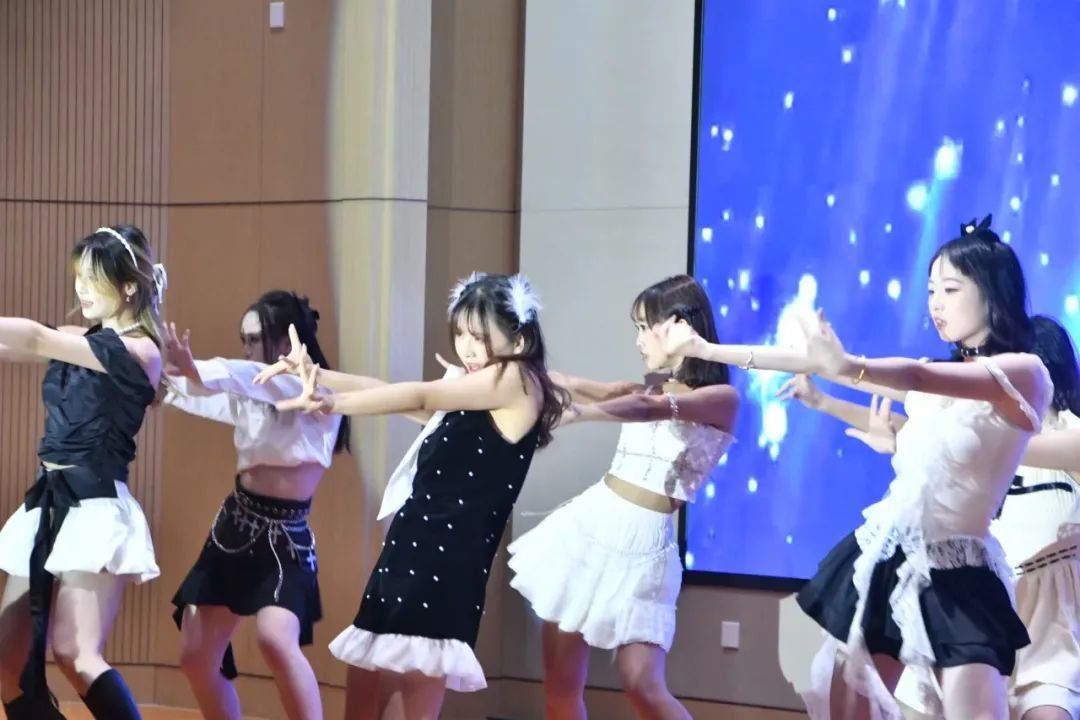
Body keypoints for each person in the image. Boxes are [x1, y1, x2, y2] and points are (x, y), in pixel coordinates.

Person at [664, 216, 1051, 719]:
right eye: (931, 290)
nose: (936, 303)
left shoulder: (1025, 373)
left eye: (951, 289)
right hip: (893, 554)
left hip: (960, 571)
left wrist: (846, 365)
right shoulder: (943, 375)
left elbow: (908, 375)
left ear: (993, 293)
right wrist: (709, 350)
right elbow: (814, 362)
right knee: (849, 705)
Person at [258, 272, 567, 720]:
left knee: (409, 696)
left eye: (479, 337)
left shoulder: (516, 378)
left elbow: (421, 393)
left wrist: (332, 403)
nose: (467, 349)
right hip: (409, 550)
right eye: (460, 334)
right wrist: (318, 376)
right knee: (368, 686)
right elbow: (397, 395)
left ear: (519, 340)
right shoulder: (474, 396)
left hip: (443, 563)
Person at [507, 274, 738, 720]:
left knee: (642, 683)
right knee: (559, 683)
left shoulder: (720, 398)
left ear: (678, 324)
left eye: (644, 327)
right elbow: (568, 381)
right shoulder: (647, 386)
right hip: (591, 527)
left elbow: (649, 409)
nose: (638, 340)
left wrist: (581, 413)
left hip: (646, 545)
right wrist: (501, 373)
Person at [0, 225, 166, 719]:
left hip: (94, 506)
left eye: (92, 280)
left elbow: (35, 337)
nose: (81, 289)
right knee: (6, 661)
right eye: (79, 278)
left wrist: (34, 340)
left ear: (129, 286)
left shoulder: (141, 352)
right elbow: (23, 343)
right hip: (48, 501)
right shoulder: (79, 338)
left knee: (76, 653)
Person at [162, 290, 348, 720]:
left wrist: (199, 369)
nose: (246, 349)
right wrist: (159, 380)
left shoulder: (318, 391)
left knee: (275, 639)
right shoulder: (251, 389)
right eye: (243, 340)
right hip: (235, 527)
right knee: (195, 655)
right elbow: (204, 391)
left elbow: (240, 375)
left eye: (253, 339)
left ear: (284, 342)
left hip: (286, 540)